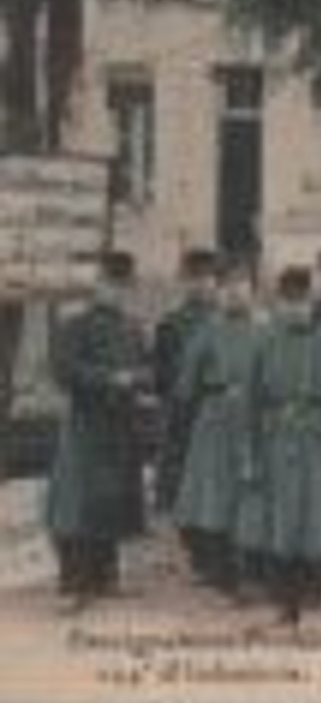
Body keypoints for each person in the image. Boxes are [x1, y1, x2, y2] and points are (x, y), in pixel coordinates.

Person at [245, 267, 321, 626]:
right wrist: (250, 455)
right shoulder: (264, 345)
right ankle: (284, 601)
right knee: (281, 523)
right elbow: (251, 405)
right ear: (278, 304)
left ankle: (312, 595)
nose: (296, 309)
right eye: (289, 302)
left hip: (320, 444)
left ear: (312, 304)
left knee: (316, 523)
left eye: (302, 302)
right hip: (277, 443)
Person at [45, 251, 151, 614]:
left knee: (114, 500)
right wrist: (108, 377)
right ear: (97, 283)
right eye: (109, 284)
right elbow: (63, 371)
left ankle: (107, 578)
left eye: (123, 286)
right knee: (77, 503)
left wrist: (138, 379)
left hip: (120, 425)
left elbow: (147, 368)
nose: (116, 292)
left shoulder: (133, 327)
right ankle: (76, 583)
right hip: (85, 423)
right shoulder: (75, 324)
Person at [172, 256, 262, 599]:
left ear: (253, 291)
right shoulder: (207, 331)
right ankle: (220, 571)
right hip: (215, 421)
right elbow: (184, 385)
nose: (236, 294)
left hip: (254, 421)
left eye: (243, 287)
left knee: (251, 492)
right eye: (229, 288)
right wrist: (215, 393)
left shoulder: (265, 330)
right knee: (214, 495)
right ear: (219, 292)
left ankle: (252, 569)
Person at [154, 248, 219, 518]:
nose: (200, 284)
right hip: (184, 412)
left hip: (221, 413)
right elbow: (163, 374)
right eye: (194, 278)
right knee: (177, 477)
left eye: (206, 277)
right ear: (184, 281)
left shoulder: (228, 321)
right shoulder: (171, 324)